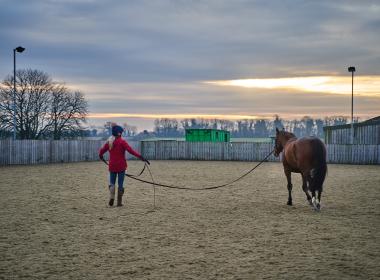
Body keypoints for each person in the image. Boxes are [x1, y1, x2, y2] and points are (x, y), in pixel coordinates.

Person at [99, 124, 150, 207]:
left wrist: (101, 156)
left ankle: (112, 197)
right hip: (121, 166)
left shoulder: (109, 142)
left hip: (112, 166)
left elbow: (101, 151)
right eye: (121, 132)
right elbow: (131, 151)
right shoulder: (122, 142)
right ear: (119, 133)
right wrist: (141, 157)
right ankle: (119, 202)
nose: (122, 134)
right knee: (120, 184)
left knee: (112, 183)